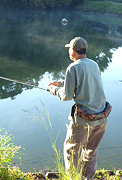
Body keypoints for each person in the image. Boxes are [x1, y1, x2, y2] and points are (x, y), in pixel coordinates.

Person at [47, 37, 111, 179]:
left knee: (72, 152)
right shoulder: (94, 64)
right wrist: (60, 83)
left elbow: (67, 96)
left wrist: (54, 90)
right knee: (90, 152)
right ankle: (87, 178)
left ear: (73, 51)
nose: (69, 51)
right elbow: (84, 81)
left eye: (69, 48)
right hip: (101, 118)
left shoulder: (72, 67)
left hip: (83, 121)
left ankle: (74, 178)